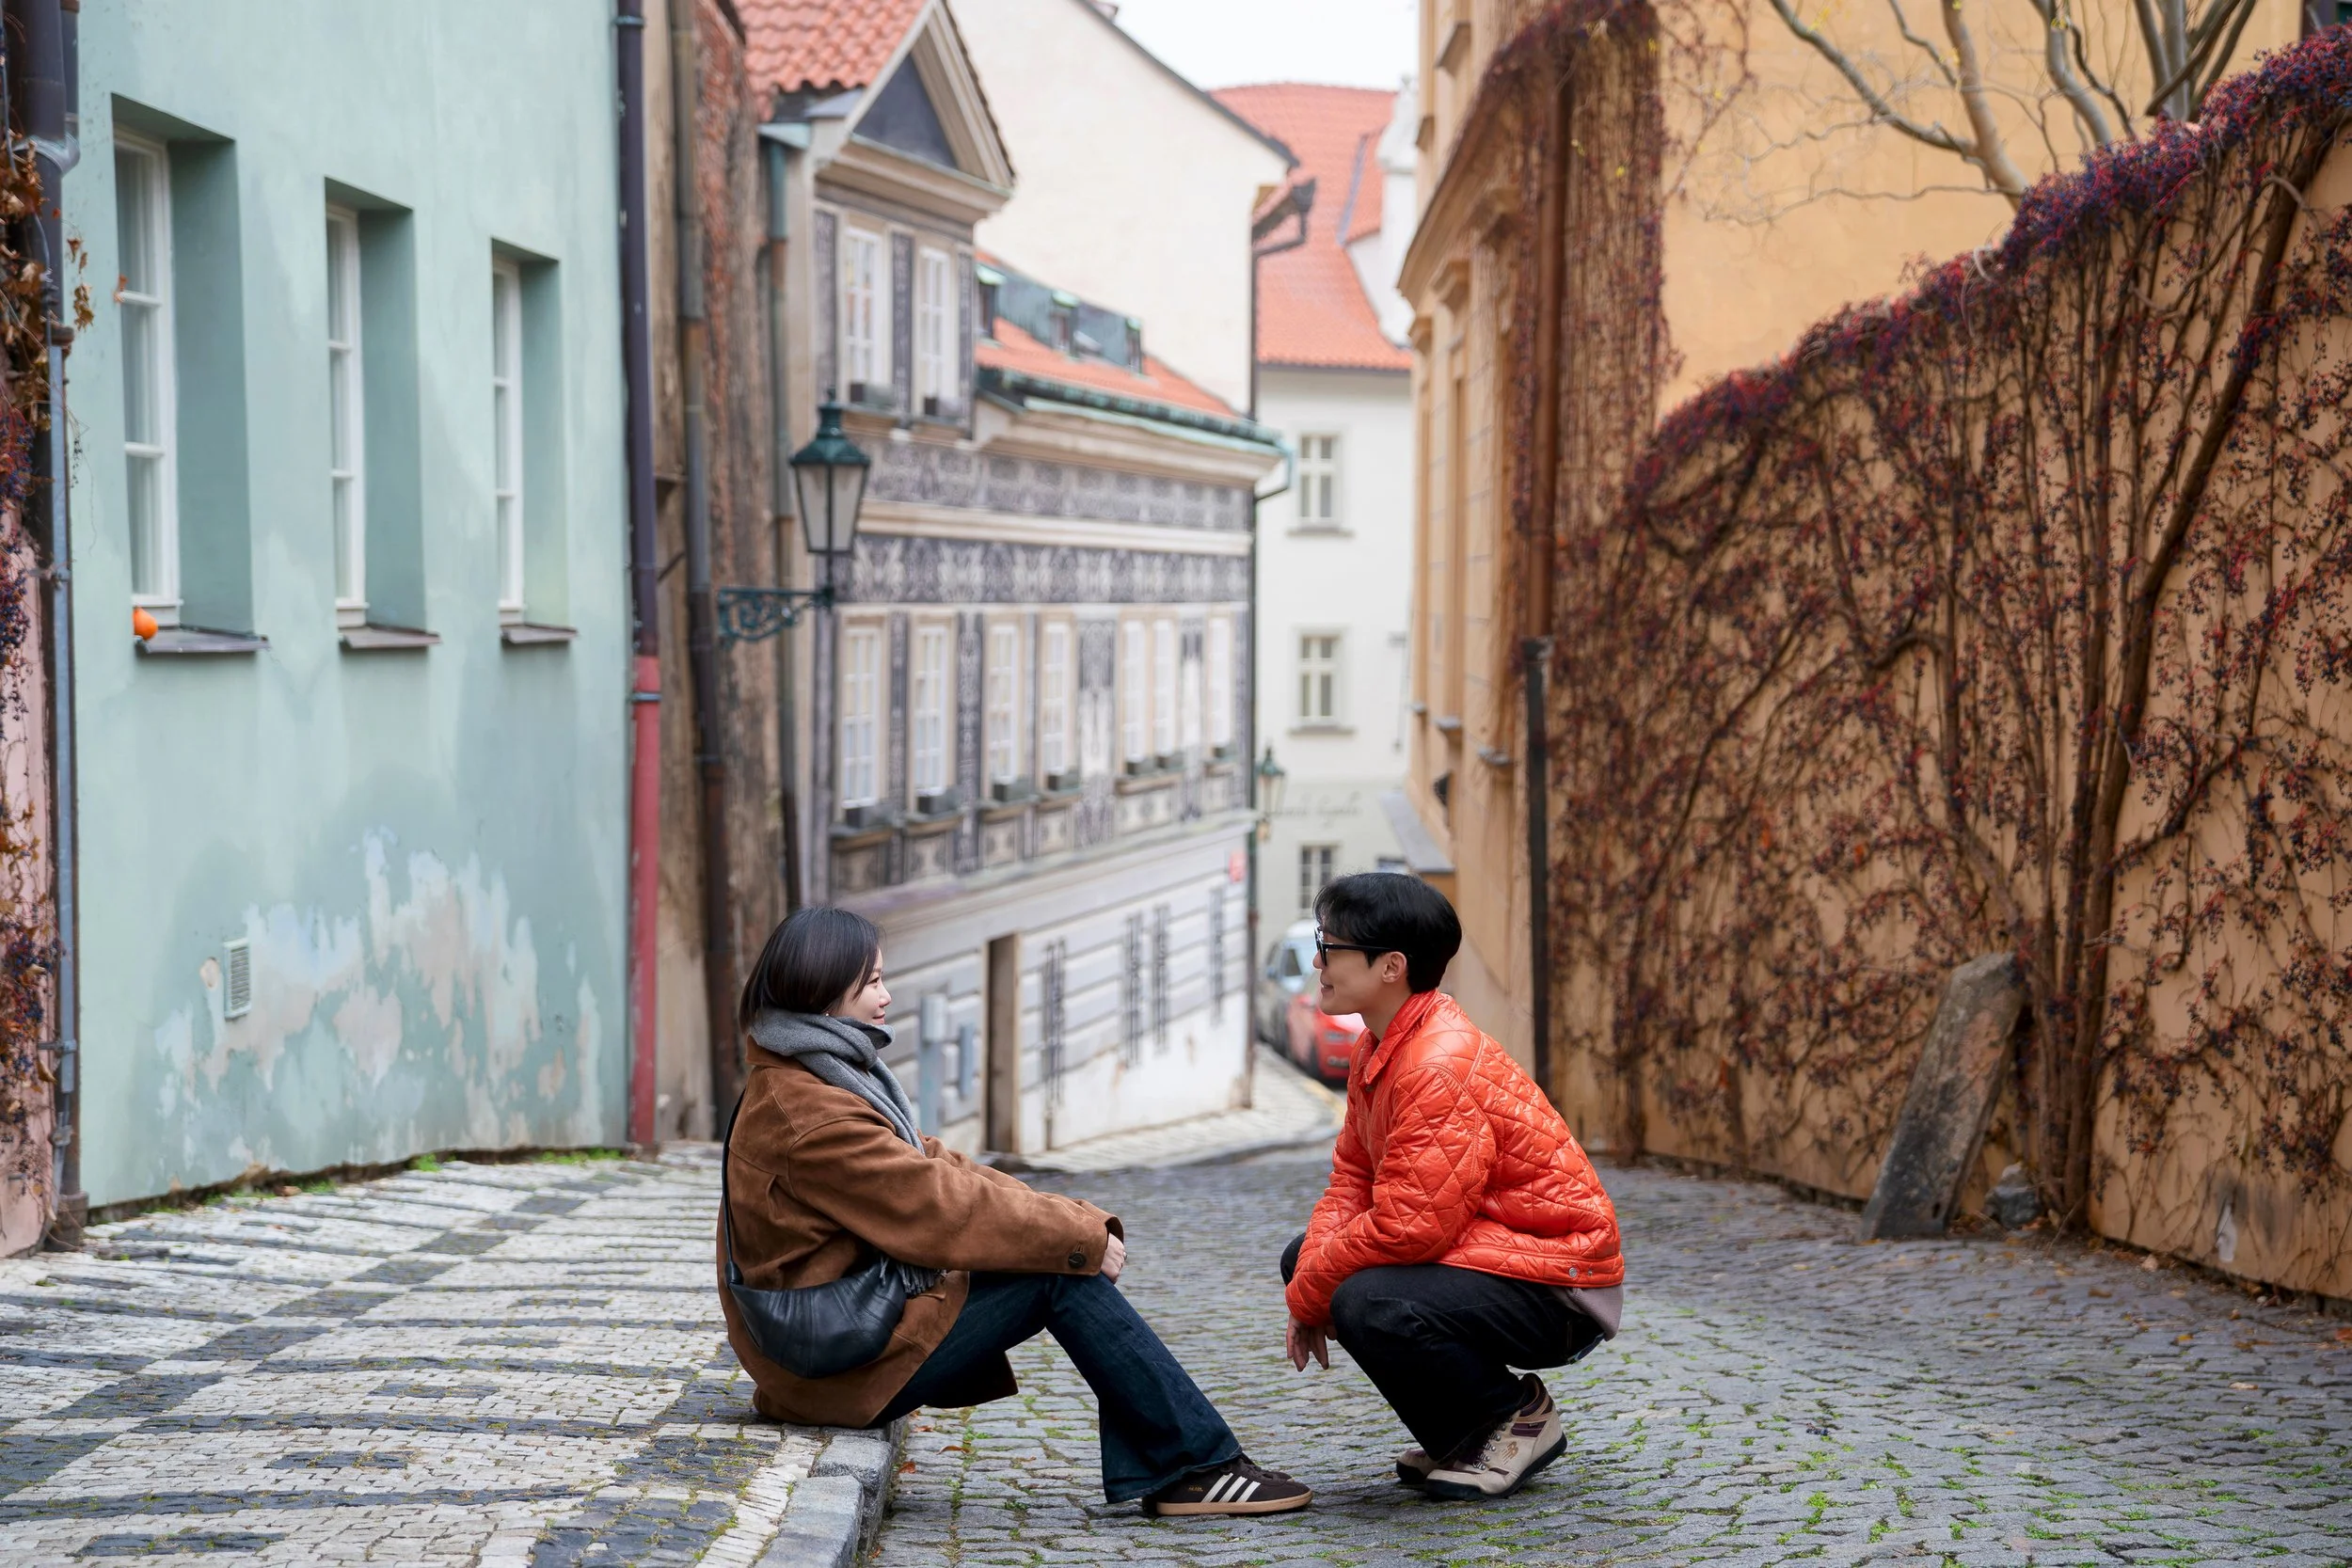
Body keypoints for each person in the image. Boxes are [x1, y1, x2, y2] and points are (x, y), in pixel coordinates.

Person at [718, 906, 1311, 1517]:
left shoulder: (814, 1076)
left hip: (840, 1333)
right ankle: (1194, 1463)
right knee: (1058, 1273)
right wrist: (1074, 1236)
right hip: (829, 1367)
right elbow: (938, 1207)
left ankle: (1185, 1458)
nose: (887, 995)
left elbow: (938, 1164)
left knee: (1054, 1252)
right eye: (871, 981)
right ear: (820, 988)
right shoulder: (811, 1112)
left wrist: (1066, 1218)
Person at [1280, 873, 1624, 1500]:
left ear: (1391, 966)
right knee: (1308, 1258)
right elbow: (1353, 1178)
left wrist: (1312, 1295)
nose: (1318, 961)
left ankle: (1513, 1416)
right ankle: (1464, 1434)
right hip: (1497, 1253)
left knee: (1366, 1298)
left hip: (1560, 1283)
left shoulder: (1435, 1062)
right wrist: (1306, 1282)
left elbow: (1411, 1228)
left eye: (1331, 948)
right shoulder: (1379, 1045)